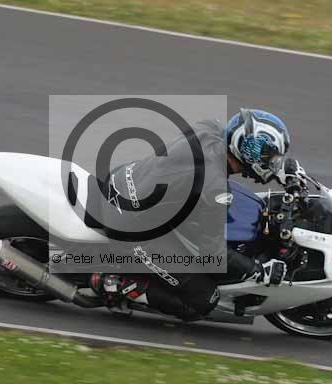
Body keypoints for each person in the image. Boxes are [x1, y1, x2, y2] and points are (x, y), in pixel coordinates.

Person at [92, 108, 296, 320]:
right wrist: (257, 270)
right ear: (249, 152)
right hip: (130, 229)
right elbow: (213, 256)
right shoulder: (215, 188)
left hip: (122, 179)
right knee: (203, 299)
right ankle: (114, 285)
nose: (272, 163)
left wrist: (284, 170)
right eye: (269, 157)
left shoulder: (210, 129)